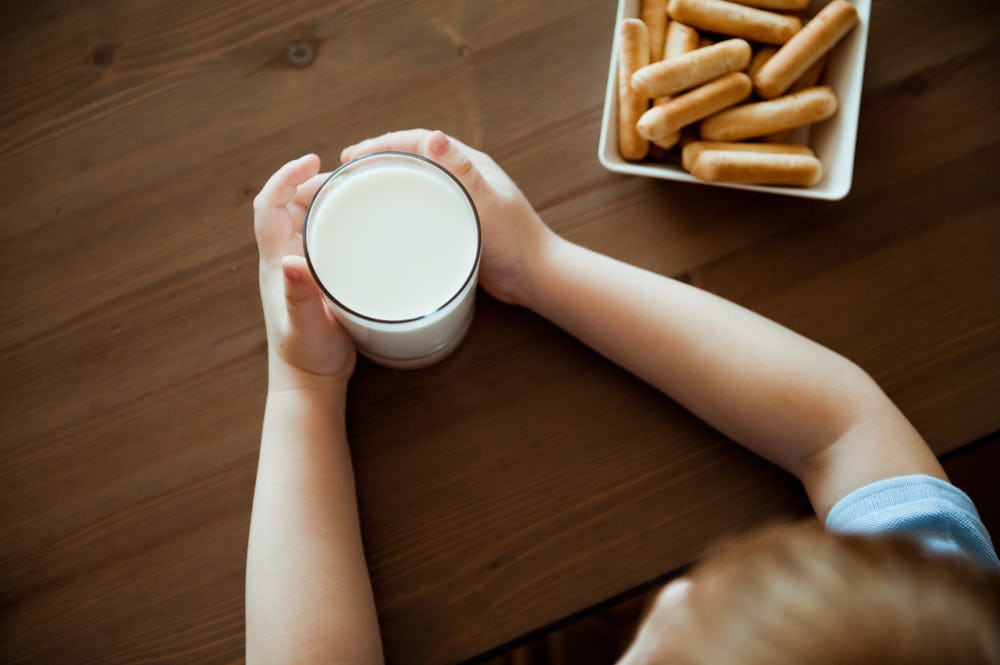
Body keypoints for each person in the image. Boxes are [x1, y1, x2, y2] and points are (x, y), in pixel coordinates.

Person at [246, 129, 999, 665]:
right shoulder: (935, 617)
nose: (671, 600)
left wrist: (304, 389)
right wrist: (539, 265)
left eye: (666, 645)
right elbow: (844, 423)